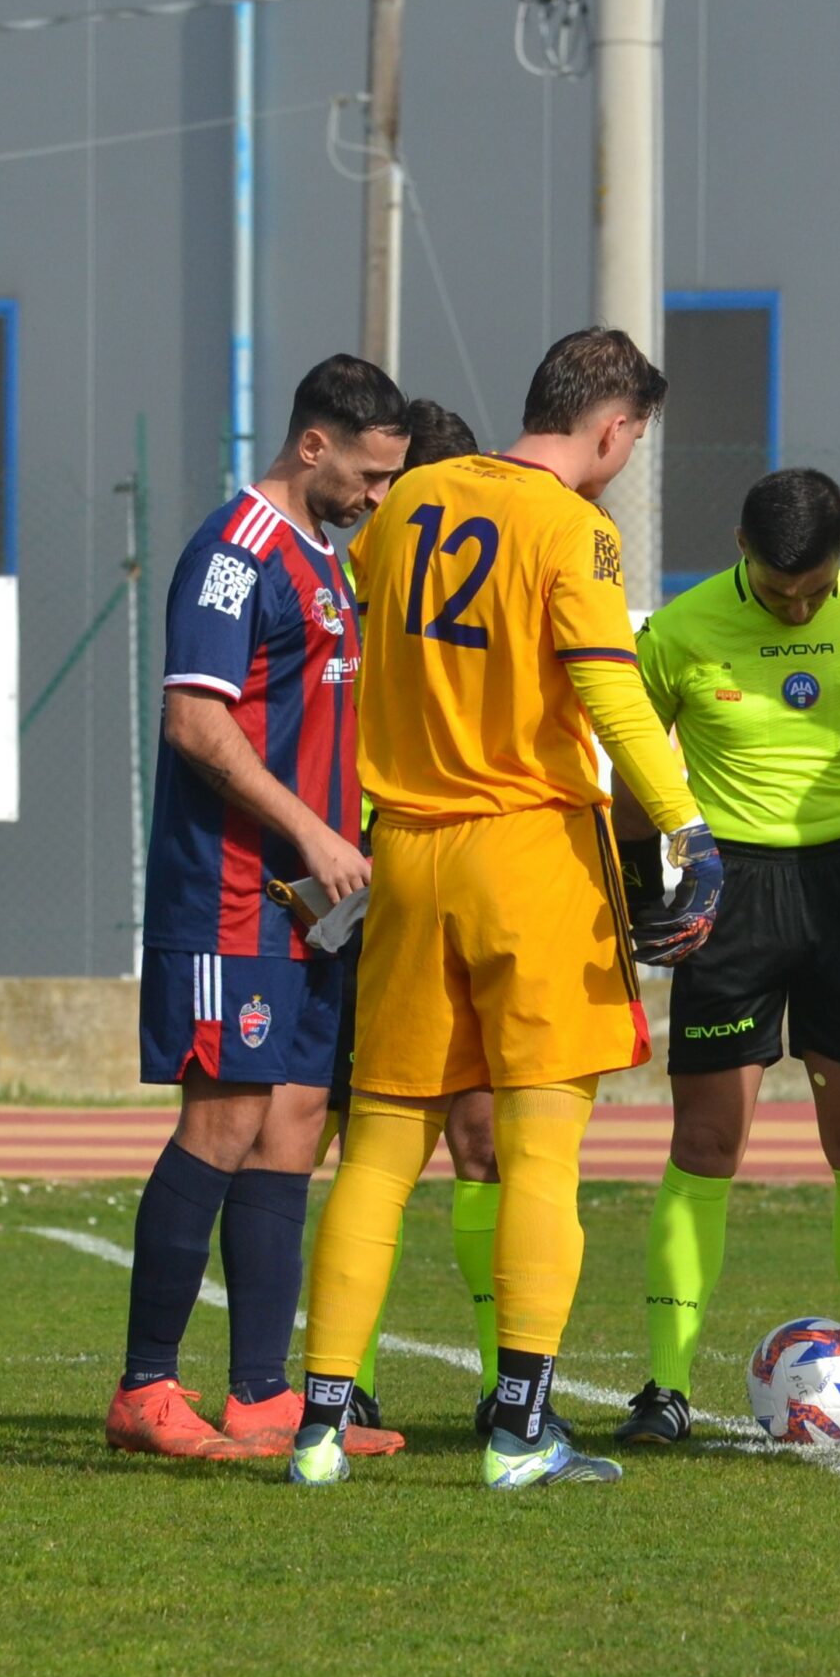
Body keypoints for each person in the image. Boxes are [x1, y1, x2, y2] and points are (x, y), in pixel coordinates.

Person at [291, 327, 723, 1490]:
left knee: (379, 1151)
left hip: (408, 850)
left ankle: (320, 1425)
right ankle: (519, 1427)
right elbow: (611, 695)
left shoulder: (406, 502)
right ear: (614, 428)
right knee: (539, 1151)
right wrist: (686, 826)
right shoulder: (575, 527)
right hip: (528, 852)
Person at [609, 466, 840, 1447]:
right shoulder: (679, 632)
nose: (800, 605)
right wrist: (641, 898)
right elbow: (631, 777)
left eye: (817, 588)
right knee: (706, 1143)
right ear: (740, 546)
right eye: (781, 592)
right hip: (729, 894)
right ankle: (664, 1387)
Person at [104, 354, 406, 1461]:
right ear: (313, 444)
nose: (378, 494)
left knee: (291, 1125)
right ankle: (144, 1389)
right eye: (369, 474)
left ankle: (264, 1396)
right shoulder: (234, 552)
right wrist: (312, 832)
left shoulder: (326, 558)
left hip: (311, 903)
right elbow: (195, 721)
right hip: (233, 891)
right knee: (224, 1120)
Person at [309, 394, 528, 1449]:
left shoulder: (475, 593)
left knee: (480, 1139)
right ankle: (328, 1383)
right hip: (356, 891)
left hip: (454, 881)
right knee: (337, 1135)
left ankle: (502, 1387)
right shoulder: (345, 585)